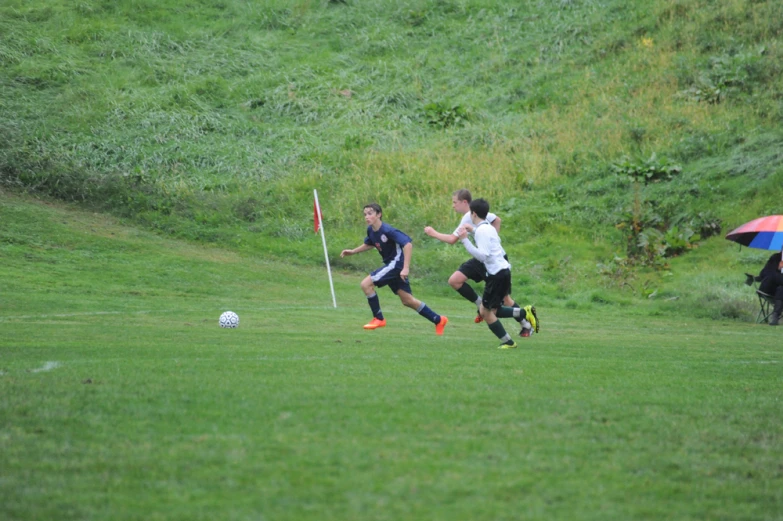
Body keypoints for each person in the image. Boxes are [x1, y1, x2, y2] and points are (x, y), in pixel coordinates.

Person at [424, 188, 537, 337]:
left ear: (465, 202)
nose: (453, 206)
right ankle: (481, 306)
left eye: (454, 202)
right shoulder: (471, 215)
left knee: (505, 299)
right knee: (455, 280)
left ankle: (526, 324)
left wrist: (433, 233)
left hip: (494, 260)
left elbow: (453, 239)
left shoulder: (473, 213)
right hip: (481, 259)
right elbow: (496, 220)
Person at [341, 203, 449, 335]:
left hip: (396, 264)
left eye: (370, 213)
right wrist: (353, 251)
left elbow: (407, 244)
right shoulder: (371, 230)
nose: (366, 217)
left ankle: (379, 318)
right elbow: (370, 244)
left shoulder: (388, 230)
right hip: (392, 266)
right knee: (407, 300)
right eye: (365, 214)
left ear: (379, 214)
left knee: (366, 284)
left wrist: (405, 268)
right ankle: (438, 320)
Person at [457, 198, 538, 349]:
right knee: (492, 310)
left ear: (473, 214)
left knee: (486, 312)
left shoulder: (482, 231)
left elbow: (483, 256)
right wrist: (472, 231)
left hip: (496, 275)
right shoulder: (488, 227)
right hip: (504, 271)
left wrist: (464, 240)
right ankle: (522, 315)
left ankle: (510, 338)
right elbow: (489, 241)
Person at [759, 249, 783, 325]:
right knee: (774, 279)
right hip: (770, 289)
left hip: (780, 293)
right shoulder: (775, 258)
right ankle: (775, 316)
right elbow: (763, 274)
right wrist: (778, 268)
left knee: (781, 289)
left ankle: (775, 316)